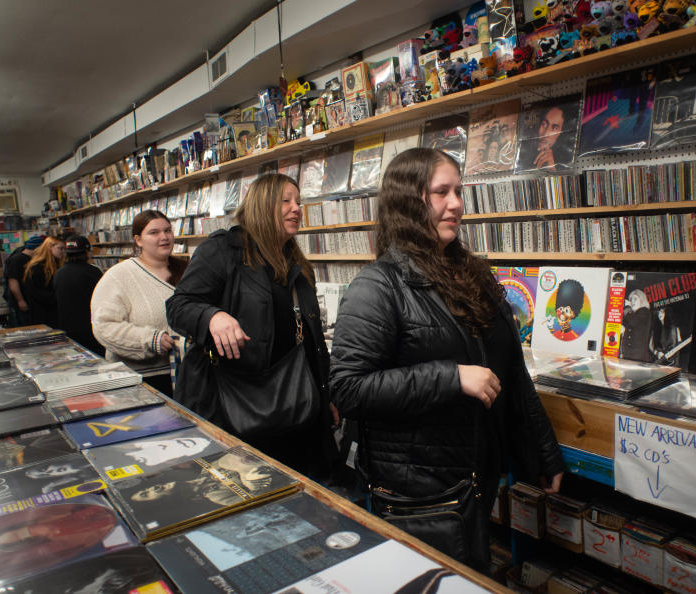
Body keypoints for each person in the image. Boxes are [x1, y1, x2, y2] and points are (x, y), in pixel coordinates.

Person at [329, 148, 564, 570]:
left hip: (475, 479)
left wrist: (543, 452)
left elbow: (510, 370)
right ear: (408, 201)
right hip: (420, 495)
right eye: (441, 192)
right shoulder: (377, 286)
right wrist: (451, 378)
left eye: (458, 191)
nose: (456, 203)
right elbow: (348, 388)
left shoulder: (474, 275)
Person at [166, 174, 335, 479]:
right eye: (286, 200)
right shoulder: (224, 250)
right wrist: (211, 317)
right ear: (261, 204)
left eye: (298, 202)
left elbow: (311, 341)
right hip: (232, 407)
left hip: (295, 409)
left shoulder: (295, 261)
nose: (296, 208)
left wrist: (326, 398)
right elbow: (178, 306)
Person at [90, 211, 186, 396]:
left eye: (168, 230)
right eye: (154, 232)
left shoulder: (187, 270)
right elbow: (104, 326)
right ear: (138, 240)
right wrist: (149, 339)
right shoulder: (118, 276)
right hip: (139, 381)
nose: (164, 237)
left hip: (187, 375)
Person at [53, 235, 104, 356]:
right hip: (91, 330)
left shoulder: (59, 273)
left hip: (67, 328)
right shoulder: (93, 272)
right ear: (86, 252)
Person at [21, 236, 65, 328]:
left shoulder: (57, 265)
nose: (63, 251)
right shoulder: (37, 267)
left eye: (64, 248)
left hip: (54, 310)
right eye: (60, 248)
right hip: (42, 313)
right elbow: (34, 291)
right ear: (50, 247)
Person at [3, 235, 44, 327]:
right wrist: (20, 300)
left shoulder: (32, 259)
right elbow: (13, 281)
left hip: (31, 300)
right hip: (23, 300)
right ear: (37, 248)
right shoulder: (17, 259)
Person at [621, 288, 653, 362]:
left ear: (641, 300)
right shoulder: (632, 314)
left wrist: (627, 307)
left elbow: (634, 322)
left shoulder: (644, 311)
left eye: (635, 299)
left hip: (638, 357)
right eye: (631, 299)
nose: (632, 301)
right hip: (629, 356)